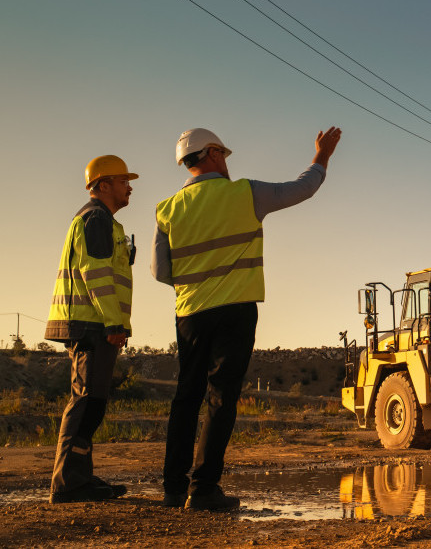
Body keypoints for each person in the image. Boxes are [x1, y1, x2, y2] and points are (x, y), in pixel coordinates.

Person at [152, 126, 341, 510]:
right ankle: (203, 489)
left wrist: (195, 282)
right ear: (213, 155)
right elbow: (302, 188)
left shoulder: (167, 209)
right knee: (220, 397)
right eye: (223, 153)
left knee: (186, 396)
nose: (226, 160)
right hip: (235, 310)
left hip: (189, 312)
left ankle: (173, 488)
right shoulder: (244, 193)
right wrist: (321, 156)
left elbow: (160, 271)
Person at [45, 155, 138, 503]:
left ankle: (79, 477)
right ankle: (69, 483)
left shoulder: (103, 221)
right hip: (92, 324)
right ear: (103, 185)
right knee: (87, 401)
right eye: (123, 180)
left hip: (95, 323)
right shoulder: (96, 218)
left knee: (92, 400)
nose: (130, 187)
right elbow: (95, 274)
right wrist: (114, 322)